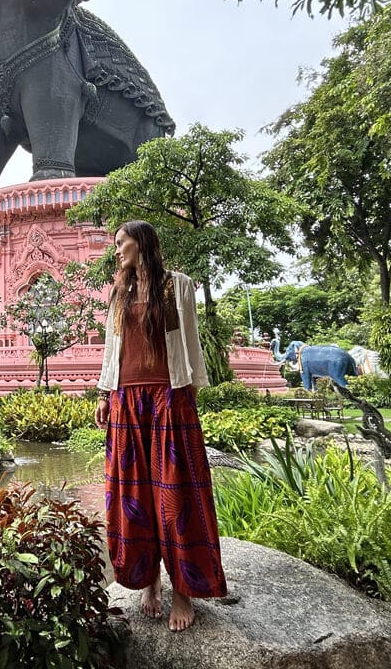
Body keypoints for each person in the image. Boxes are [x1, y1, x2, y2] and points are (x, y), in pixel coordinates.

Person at [95, 220, 229, 632]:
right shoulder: (119, 292)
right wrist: (104, 394)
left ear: (142, 243)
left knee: (177, 495)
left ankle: (182, 592)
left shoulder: (177, 285)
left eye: (122, 243)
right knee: (133, 495)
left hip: (169, 397)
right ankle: (149, 582)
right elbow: (112, 348)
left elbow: (187, 340)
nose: (116, 250)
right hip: (126, 401)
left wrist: (189, 393)